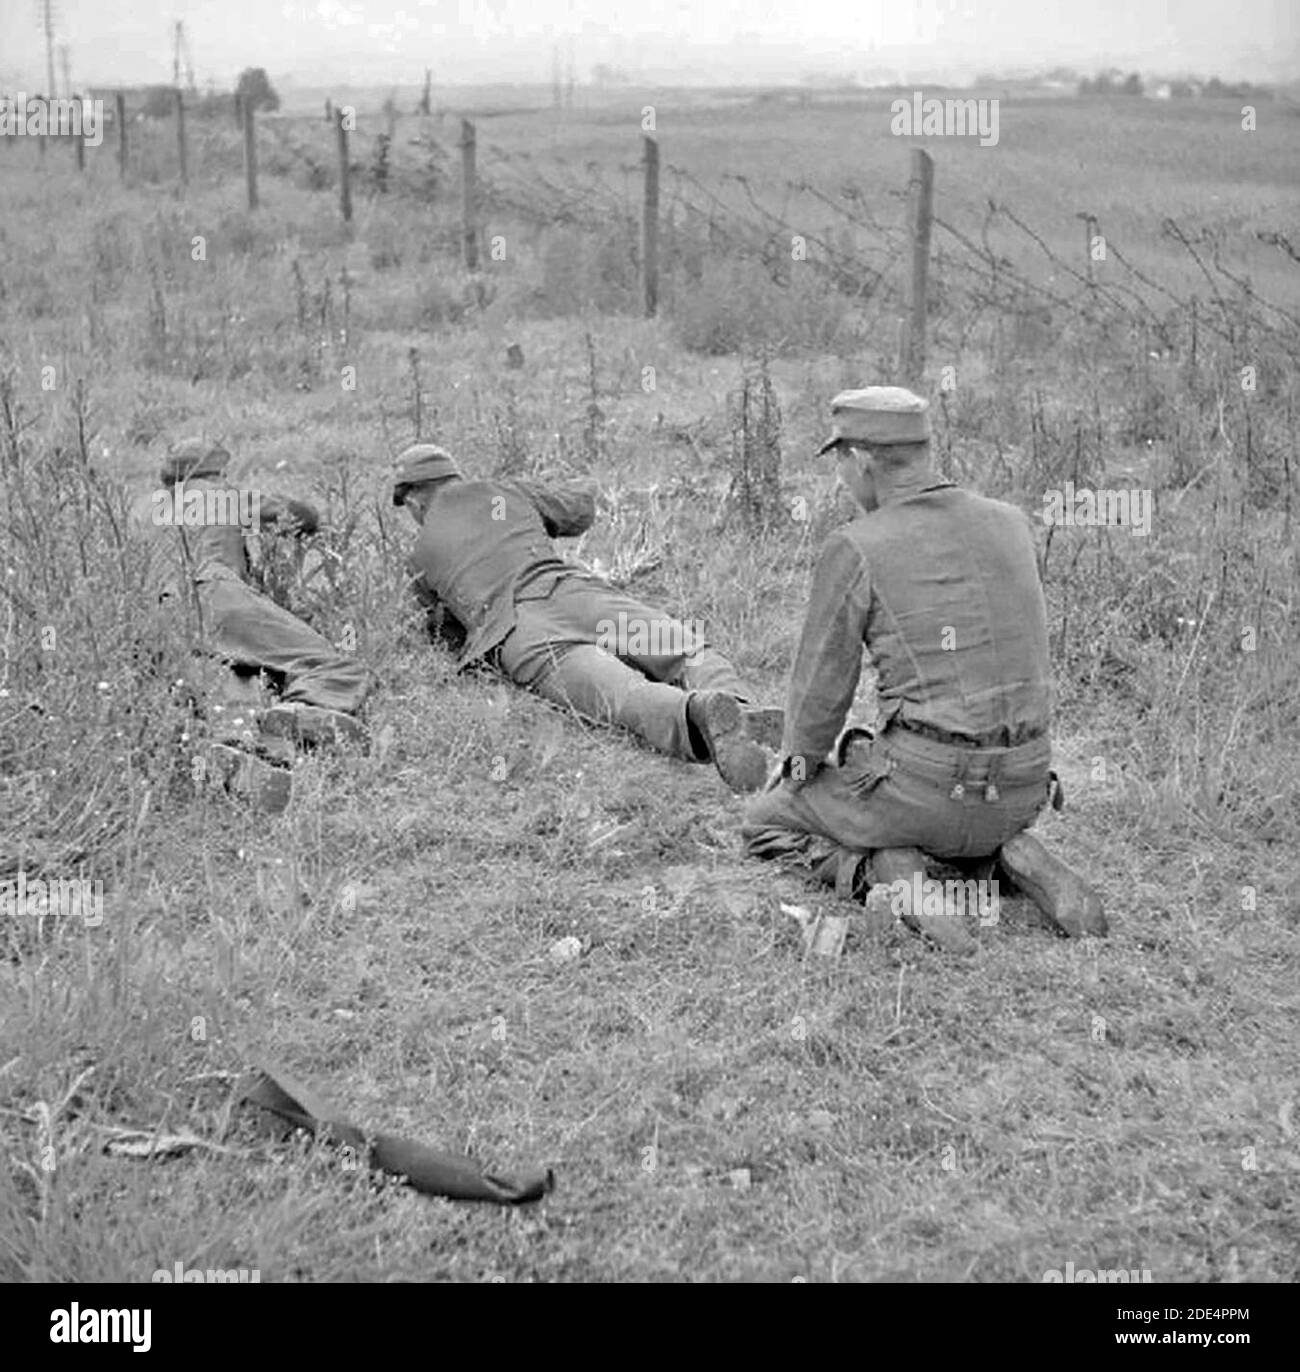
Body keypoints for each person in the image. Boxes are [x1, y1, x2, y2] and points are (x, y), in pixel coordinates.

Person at [740, 387, 1106, 943]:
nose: (840, 477)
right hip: (1025, 786)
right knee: (887, 764)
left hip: (925, 792)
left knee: (764, 819)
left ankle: (883, 872)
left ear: (860, 459)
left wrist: (797, 767)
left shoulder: (855, 546)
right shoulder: (1011, 522)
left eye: (839, 460)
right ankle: (1002, 858)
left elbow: (820, 694)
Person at [392, 444, 781, 791]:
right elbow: (579, 510)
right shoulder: (503, 491)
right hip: (573, 593)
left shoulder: (417, 558)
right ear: (456, 475)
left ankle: (696, 713)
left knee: (623, 695)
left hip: (520, 634)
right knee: (686, 650)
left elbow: (445, 636)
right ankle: (739, 710)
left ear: (412, 503)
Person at [156, 438, 371, 809]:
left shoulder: (143, 509)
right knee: (329, 664)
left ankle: (241, 747)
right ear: (216, 473)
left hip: (147, 611)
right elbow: (304, 517)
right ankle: (306, 709)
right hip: (211, 590)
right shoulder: (219, 496)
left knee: (233, 666)